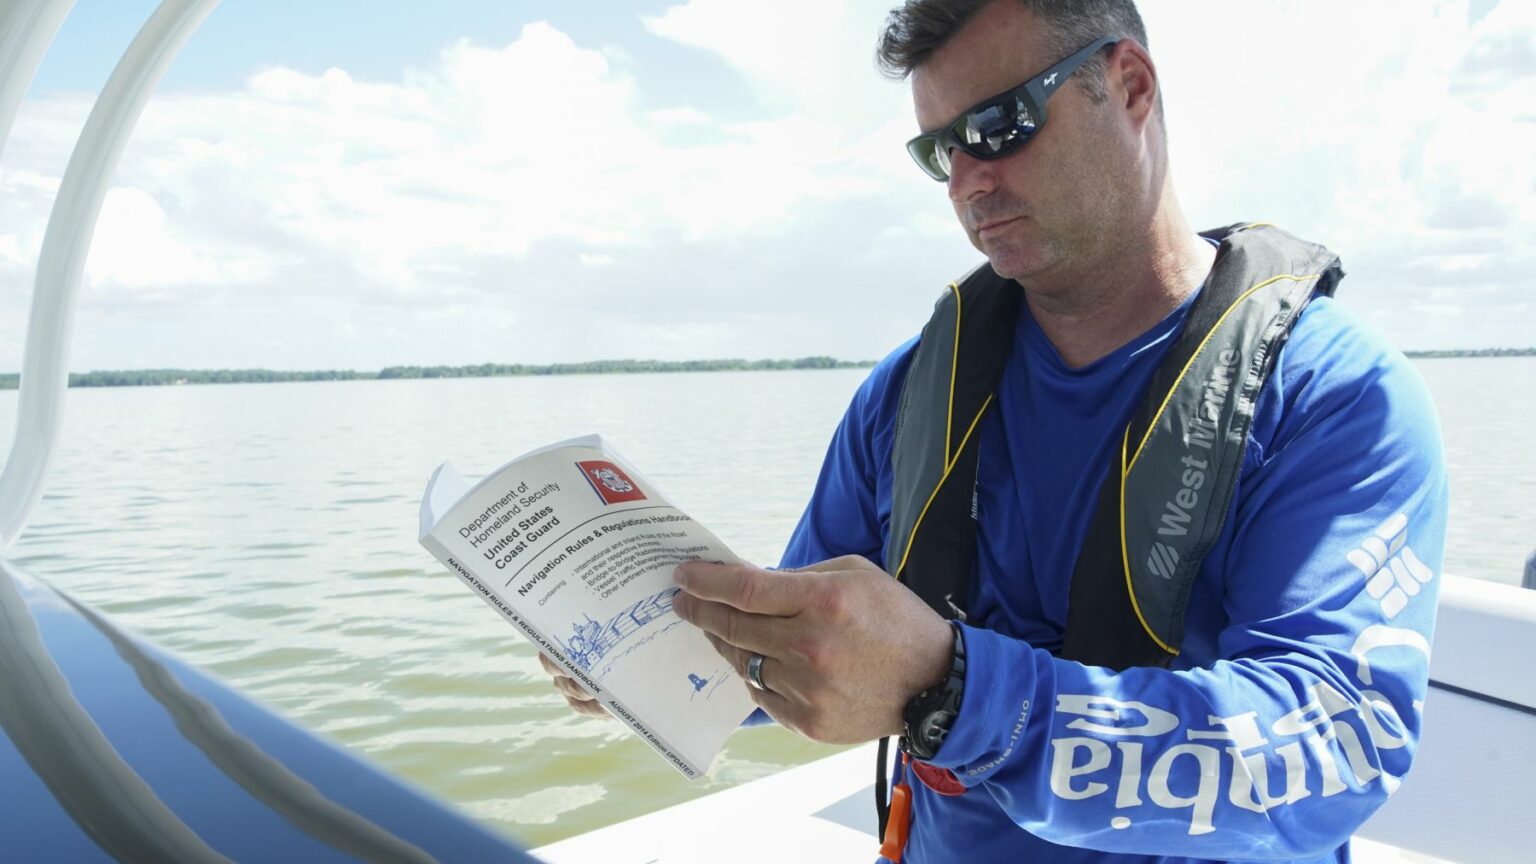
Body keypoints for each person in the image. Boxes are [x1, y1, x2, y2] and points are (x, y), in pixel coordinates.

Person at [546, 1, 1448, 861]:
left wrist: (953, 689)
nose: (970, 182)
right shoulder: (906, 397)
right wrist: (647, 654)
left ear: (1130, 86)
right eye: (941, 150)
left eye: (1000, 126)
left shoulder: (1334, 396)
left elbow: (1333, 748)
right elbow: (812, 642)